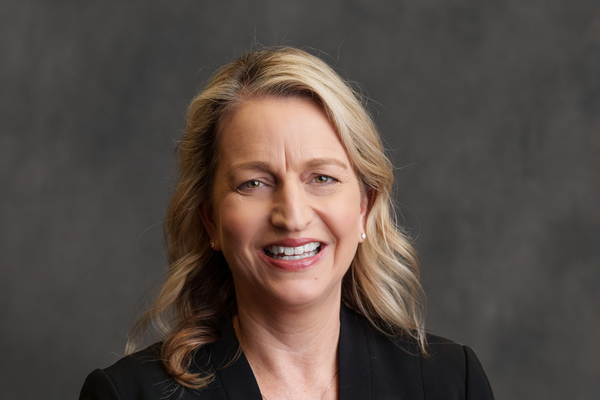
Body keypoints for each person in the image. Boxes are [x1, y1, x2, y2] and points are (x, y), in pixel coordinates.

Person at [80, 46, 494, 400]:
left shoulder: (449, 383)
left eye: (322, 178)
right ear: (210, 221)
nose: (292, 217)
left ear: (364, 209)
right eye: (254, 183)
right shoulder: (127, 394)